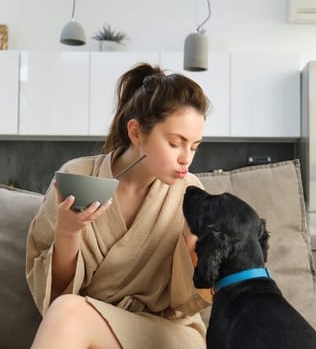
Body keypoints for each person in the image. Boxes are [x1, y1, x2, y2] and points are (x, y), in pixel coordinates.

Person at [26, 63, 212, 348]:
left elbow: (187, 303)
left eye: (195, 146)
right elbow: (54, 296)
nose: (186, 158)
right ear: (136, 133)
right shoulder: (78, 178)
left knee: (68, 313)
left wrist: (195, 251)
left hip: (167, 334)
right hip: (93, 328)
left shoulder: (191, 194)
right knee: (66, 311)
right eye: (176, 143)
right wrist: (68, 230)